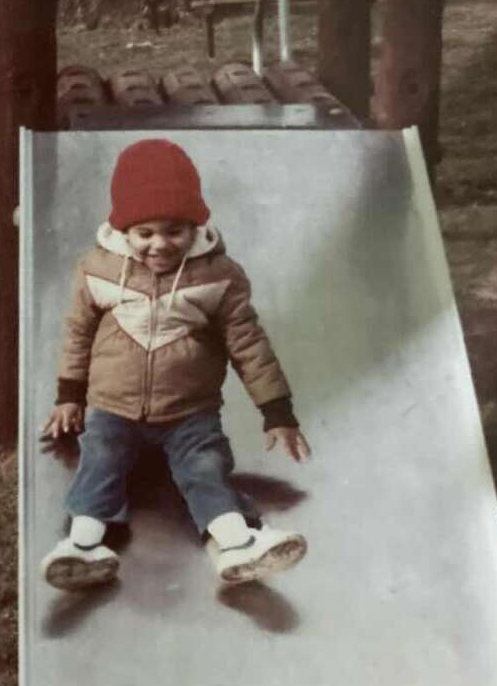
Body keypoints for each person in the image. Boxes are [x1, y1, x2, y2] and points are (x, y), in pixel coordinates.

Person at [40, 139, 311, 589]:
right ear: (123, 230)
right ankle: (83, 546)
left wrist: (277, 412)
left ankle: (236, 545)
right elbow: (77, 333)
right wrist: (69, 396)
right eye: (145, 233)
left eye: (173, 231)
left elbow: (249, 344)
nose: (159, 245)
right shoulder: (98, 270)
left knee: (204, 467)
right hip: (113, 407)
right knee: (100, 460)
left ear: (194, 226)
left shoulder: (218, 275)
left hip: (189, 412)